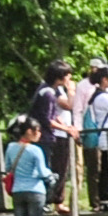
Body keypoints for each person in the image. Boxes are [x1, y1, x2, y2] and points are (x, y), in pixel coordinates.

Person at [1, 116, 55, 216]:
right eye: (37, 131)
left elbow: (7, 168)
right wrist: (51, 175)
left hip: (18, 191)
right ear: (29, 131)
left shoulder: (11, 148)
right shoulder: (35, 150)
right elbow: (43, 173)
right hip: (35, 191)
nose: (40, 134)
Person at [78, 62, 108, 212]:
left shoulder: (102, 95)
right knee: (107, 170)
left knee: (107, 169)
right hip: (107, 138)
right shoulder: (102, 98)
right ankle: (105, 199)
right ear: (104, 80)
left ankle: (107, 198)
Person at [33, 57, 77, 198]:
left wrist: (66, 126)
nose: (69, 78)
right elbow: (47, 120)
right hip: (42, 137)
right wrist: (65, 129)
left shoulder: (51, 90)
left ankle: (49, 199)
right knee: (44, 169)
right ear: (59, 77)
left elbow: (54, 114)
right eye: (67, 75)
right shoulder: (47, 93)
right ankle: (43, 201)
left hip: (47, 136)